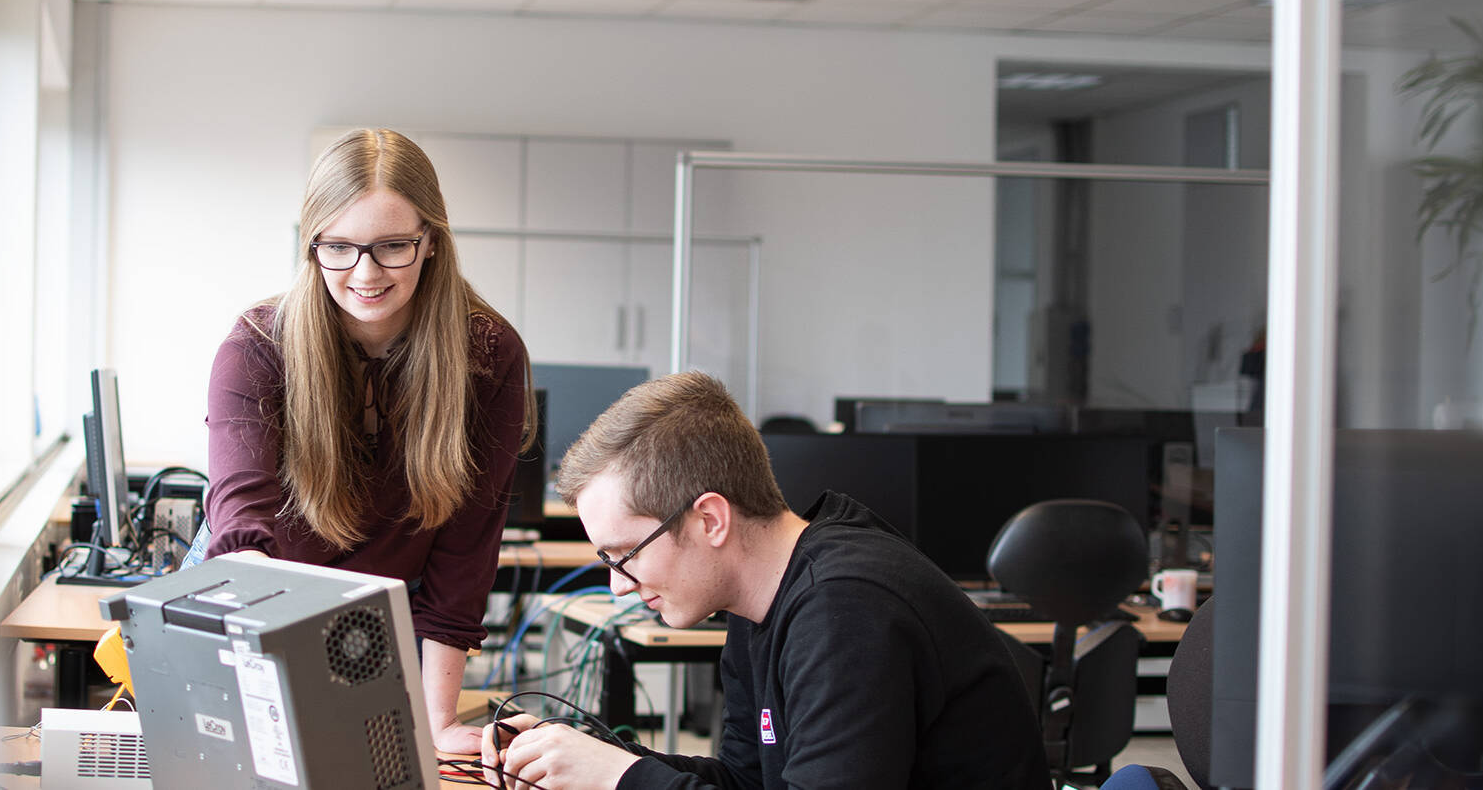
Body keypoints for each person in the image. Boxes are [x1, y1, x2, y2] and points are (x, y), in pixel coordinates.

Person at [482, 371, 1048, 789]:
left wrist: (622, 778)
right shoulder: (763, 599)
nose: (619, 586)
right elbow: (748, 781)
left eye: (626, 554)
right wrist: (590, 755)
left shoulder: (845, 609)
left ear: (710, 520)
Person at [197, 128, 534, 755]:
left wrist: (436, 721)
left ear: (431, 241)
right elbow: (240, 537)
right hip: (259, 605)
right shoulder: (257, 347)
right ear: (311, 245)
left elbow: (463, 556)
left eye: (392, 246)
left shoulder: (487, 355)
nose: (366, 273)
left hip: (381, 628)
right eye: (340, 248)